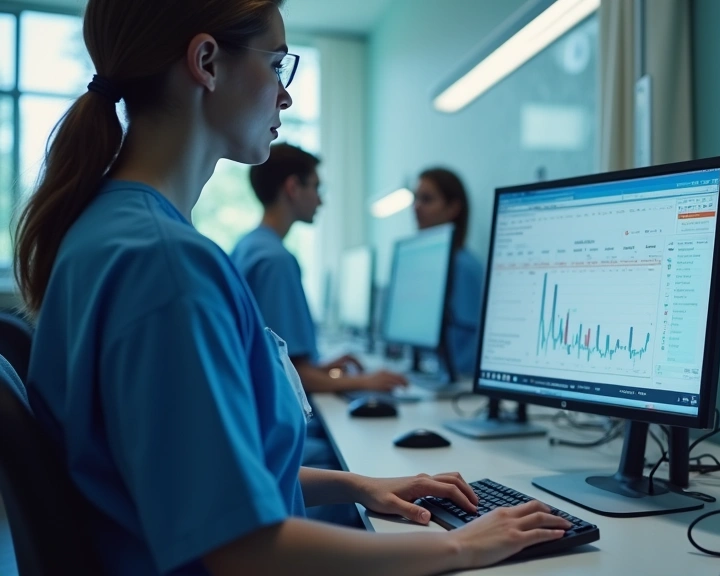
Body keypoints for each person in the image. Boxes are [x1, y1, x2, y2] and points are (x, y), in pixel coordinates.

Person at [14, 1, 570, 575]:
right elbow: (245, 550)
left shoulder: (113, 231)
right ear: (206, 61)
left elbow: (196, 475)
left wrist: (358, 484)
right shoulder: (166, 265)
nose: (285, 96)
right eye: (277, 65)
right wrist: (464, 545)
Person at [232, 143, 406, 396]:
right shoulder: (275, 260)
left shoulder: (248, 246)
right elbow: (290, 373)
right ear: (293, 188)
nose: (321, 199)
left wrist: (322, 368)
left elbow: (278, 361)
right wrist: (364, 381)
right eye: (316, 187)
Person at [413, 168, 485, 376]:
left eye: (426, 199)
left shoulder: (464, 268)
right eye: (415, 198)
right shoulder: (434, 265)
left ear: (453, 208)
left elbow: (465, 355)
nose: (416, 207)